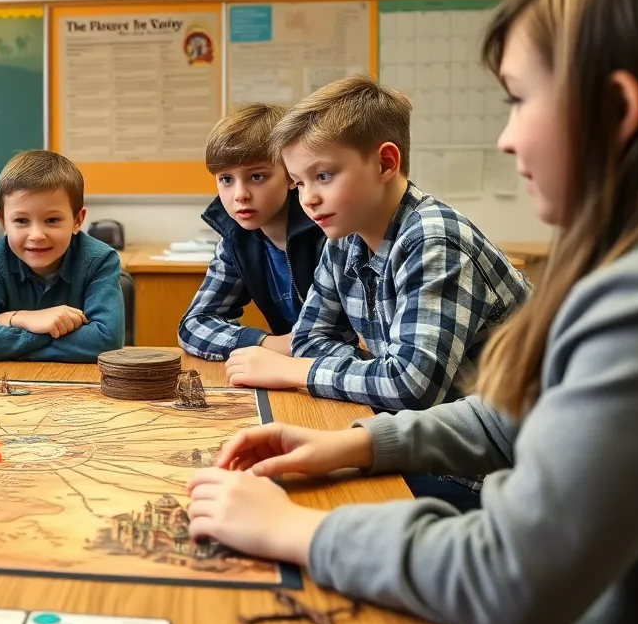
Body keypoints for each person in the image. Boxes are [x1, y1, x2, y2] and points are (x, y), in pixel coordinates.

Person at [188, 0, 638, 624]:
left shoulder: (632, 301)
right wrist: (356, 446)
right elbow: (507, 417)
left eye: (520, 99)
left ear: (616, 111)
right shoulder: (604, 260)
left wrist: (300, 531)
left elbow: (506, 577)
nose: (505, 138)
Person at [224, 75, 529, 414]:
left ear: (385, 163)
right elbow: (309, 339)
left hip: (508, 447)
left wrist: (297, 371)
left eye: (323, 176)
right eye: (298, 182)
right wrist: (373, 373)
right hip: (432, 428)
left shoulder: (434, 241)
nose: (308, 199)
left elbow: (411, 386)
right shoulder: (344, 236)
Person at [179, 104, 326, 361]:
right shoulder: (236, 238)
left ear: (292, 175)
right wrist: (265, 342)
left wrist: (288, 349)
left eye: (257, 177)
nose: (240, 195)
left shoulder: (329, 232)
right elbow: (194, 324)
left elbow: (334, 338)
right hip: (291, 369)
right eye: (226, 179)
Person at [0, 150, 124, 362]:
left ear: (77, 220)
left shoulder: (99, 260)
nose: (36, 235)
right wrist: (28, 319)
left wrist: (8, 321)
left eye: (52, 220)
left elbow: (106, 342)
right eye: (21, 221)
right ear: (3, 222)